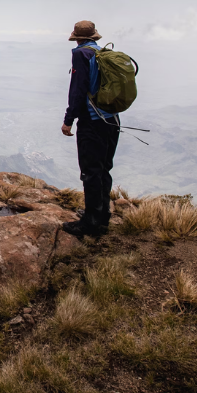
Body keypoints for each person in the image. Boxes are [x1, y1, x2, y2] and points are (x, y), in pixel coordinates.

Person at [60, 20, 120, 237]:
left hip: (93, 121)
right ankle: (102, 216)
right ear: (94, 36)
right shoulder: (103, 53)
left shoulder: (80, 54)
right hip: (112, 120)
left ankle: (91, 224)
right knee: (103, 169)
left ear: (77, 37)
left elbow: (78, 89)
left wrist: (69, 119)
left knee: (90, 171)